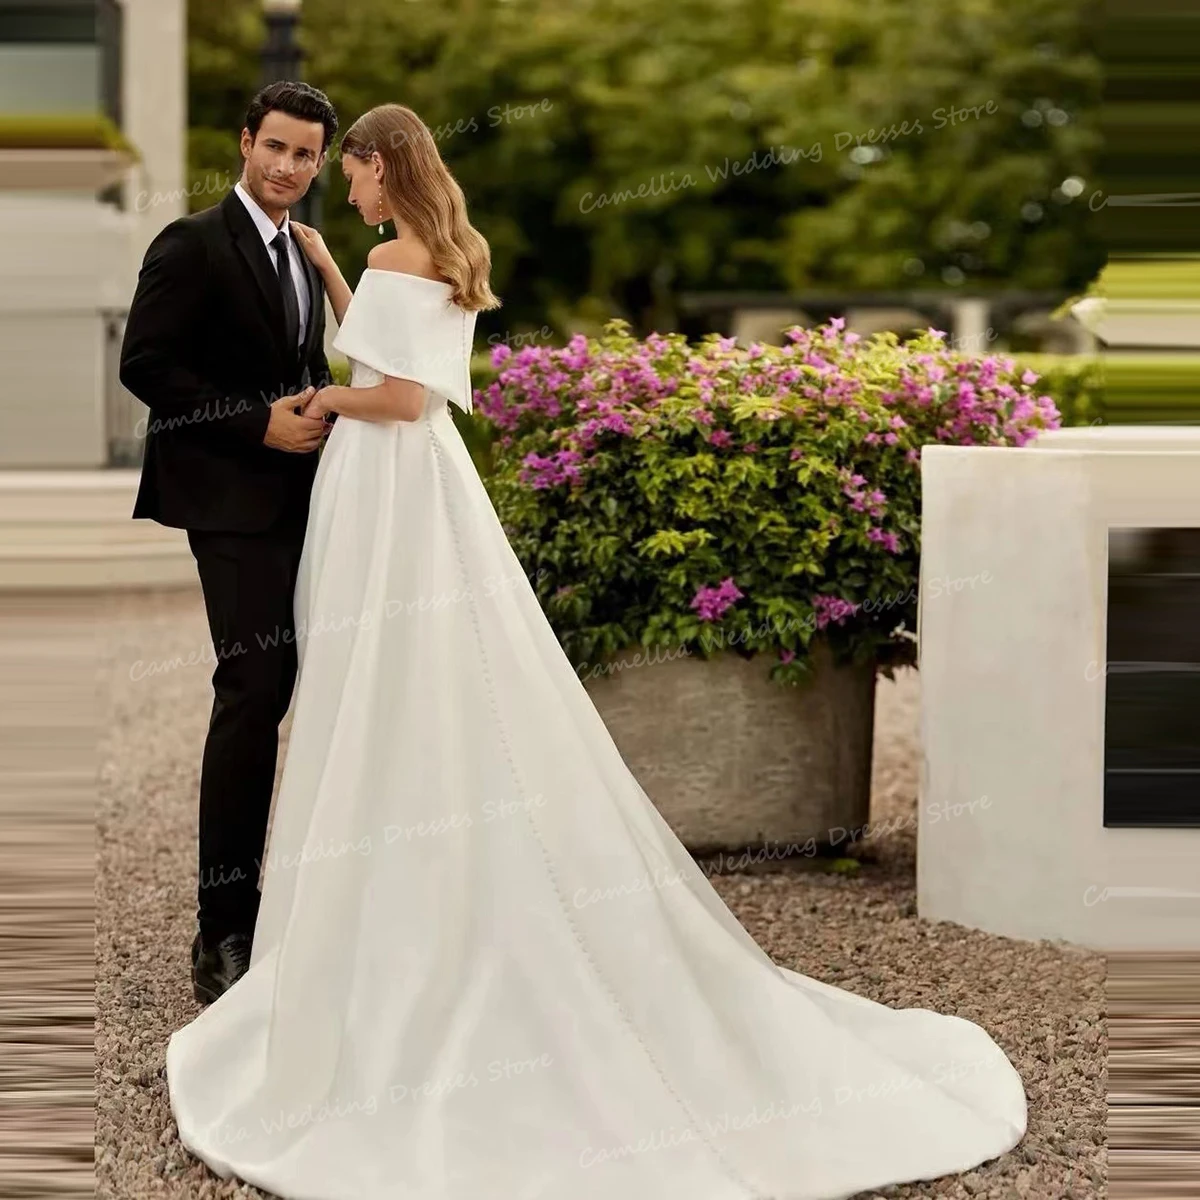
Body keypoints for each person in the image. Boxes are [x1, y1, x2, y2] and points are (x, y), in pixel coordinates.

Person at [164, 103, 1027, 1200]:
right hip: (423, 486)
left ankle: (376, 896)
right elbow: (401, 345)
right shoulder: (441, 252)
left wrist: (324, 393)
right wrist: (339, 281)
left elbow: (396, 391)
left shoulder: (394, 249)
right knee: (430, 676)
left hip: (378, 483)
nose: (340, 187)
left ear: (379, 165)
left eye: (351, 171)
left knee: (372, 682)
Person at [120, 81, 339, 1005]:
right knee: (252, 690)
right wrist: (259, 426)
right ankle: (223, 933)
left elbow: (305, 365)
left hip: (308, 497)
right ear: (245, 143)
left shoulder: (305, 253)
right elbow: (147, 366)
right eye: (275, 147)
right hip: (230, 501)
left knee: (296, 686)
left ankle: (297, 904)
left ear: (321, 162)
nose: (288, 167)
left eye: (306, 155)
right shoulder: (191, 243)